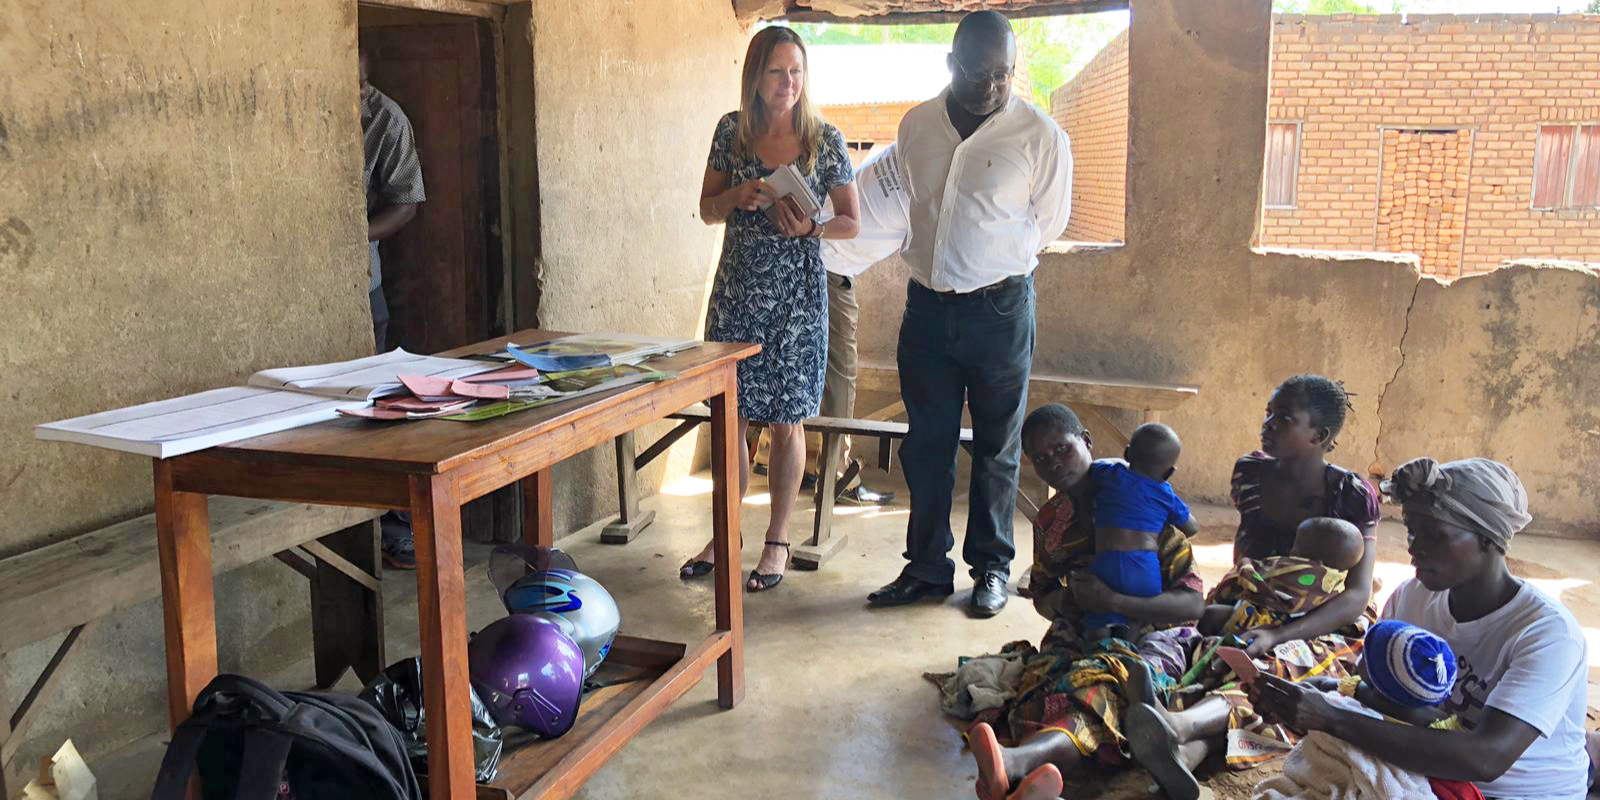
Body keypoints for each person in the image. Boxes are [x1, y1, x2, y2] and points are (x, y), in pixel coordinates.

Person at [869, 10, 1073, 618]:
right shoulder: (916, 126)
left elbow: (1049, 223)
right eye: (978, 71)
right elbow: (908, 203)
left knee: (997, 445)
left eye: (1003, 73)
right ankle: (927, 567)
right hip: (927, 311)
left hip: (1000, 311)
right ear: (951, 63)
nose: (990, 85)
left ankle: (992, 569)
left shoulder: (1040, 136)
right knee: (925, 444)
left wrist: (990, 261)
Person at [1247, 457, 1591, 800]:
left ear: (1488, 538)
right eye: (1411, 528)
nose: (1414, 545)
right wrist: (1329, 693)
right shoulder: (1412, 598)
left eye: (1434, 534)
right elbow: (1380, 694)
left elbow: (1487, 757)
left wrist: (1333, 718)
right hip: (1422, 777)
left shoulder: (1546, 633)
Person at [1114, 375, 1384, 800]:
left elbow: (1356, 595)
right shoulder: (1251, 472)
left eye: (1284, 418)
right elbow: (1247, 553)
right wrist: (1250, 602)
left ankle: (1175, 724)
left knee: (1279, 673)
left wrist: (1279, 632)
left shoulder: (1352, 495)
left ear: (1319, 435)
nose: (1269, 423)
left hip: (1321, 619)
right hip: (1253, 597)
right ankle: (1185, 755)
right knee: (1186, 642)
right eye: (1269, 413)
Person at [679, 26, 858, 592]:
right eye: (778, 72)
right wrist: (737, 196)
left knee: (786, 419)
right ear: (755, 76)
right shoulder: (731, 133)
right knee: (730, 418)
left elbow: (853, 221)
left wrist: (811, 223)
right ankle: (722, 531)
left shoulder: (824, 138)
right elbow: (707, 209)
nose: (789, 83)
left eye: (797, 72)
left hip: (797, 301)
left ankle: (777, 539)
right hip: (737, 294)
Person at [955, 404, 1211, 800]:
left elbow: (1193, 604)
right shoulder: (1051, 521)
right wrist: (1071, 599)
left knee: (1107, 684)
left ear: (1087, 441)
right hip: (1084, 625)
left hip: (1155, 630)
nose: (1053, 463)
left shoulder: (1141, 496)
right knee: (1043, 688)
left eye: (1062, 448)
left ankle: (1019, 765)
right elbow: (1042, 595)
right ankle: (1028, 768)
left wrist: (1115, 599)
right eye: (1040, 458)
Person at [752, 142, 908, 506]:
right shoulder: (928, 183)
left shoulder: (893, 150)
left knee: (790, 363)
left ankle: (768, 456)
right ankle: (836, 475)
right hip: (829, 267)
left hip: (800, 256)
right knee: (839, 373)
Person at [360, 44, 426, 570]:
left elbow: (406, 201)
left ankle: (393, 526)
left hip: (364, 284)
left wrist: (353, 237)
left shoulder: (384, 118)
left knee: (376, 408)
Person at [1084, 423, 1200, 639]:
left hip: (1104, 564)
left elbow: (1091, 469)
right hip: (1142, 568)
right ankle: (1129, 652)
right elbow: (1192, 527)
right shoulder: (1165, 493)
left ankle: (1098, 653)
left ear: (1127, 453)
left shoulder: (1109, 474)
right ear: (1169, 472)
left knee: (1097, 617)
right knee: (1134, 618)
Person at [1198, 517, 1366, 637]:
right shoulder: (1340, 582)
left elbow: (1255, 578)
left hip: (1266, 621)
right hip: (1313, 627)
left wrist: (1245, 567)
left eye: (1297, 548)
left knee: (1211, 614)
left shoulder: (1298, 571)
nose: (1292, 552)